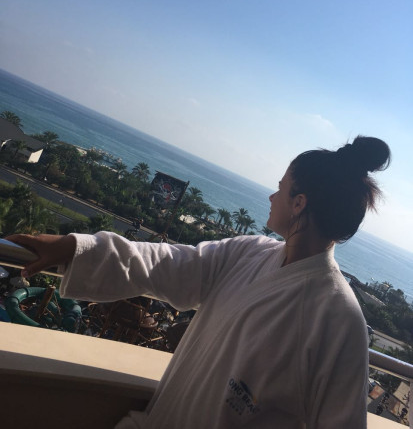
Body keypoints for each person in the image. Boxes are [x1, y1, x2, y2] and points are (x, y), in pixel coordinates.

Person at [7, 135, 391, 429]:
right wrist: (76, 247)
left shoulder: (338, 319)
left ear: (299, 203)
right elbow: (166, 263)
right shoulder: (248, 253)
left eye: (281, 187)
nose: (272, 195)